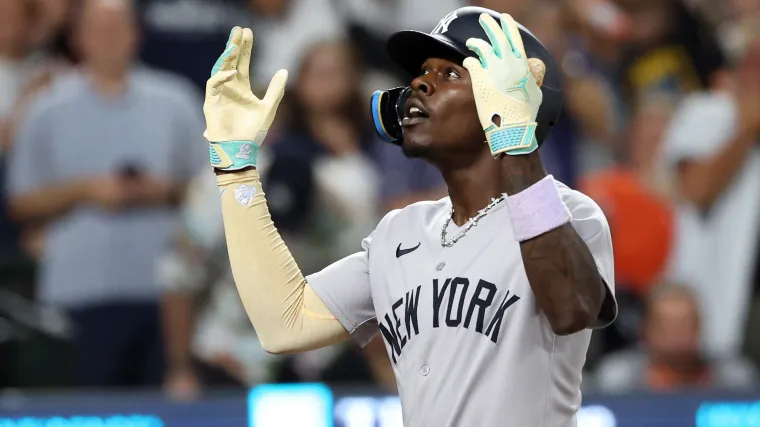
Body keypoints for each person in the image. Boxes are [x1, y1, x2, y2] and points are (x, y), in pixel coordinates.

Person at [203, 6, 617, 426]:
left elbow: (573, 309)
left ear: (517, 100)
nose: (419, 83)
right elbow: (285, 322)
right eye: (423, 72)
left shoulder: (567, 213)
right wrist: (236, 169)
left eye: (450, 73)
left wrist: (515, 137)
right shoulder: (400, 232)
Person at [6, 0, 206, 387]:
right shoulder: (46, 107)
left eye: (117, 29)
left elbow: (213, 189)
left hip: (168, 295)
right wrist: (84, 190)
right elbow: (20, 201)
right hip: (78, 292)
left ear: (137, 35)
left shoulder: (176, 100)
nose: (108, 39)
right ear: (77, 37)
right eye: (98, 29)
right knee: (87, 408)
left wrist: (161, 191)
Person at [594, 284, 758, 393]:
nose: (677, 336)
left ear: (699, 327)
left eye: (686, 325)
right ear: (646, 331)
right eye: (668, 327)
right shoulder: (617, 380)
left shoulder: (735, 379)